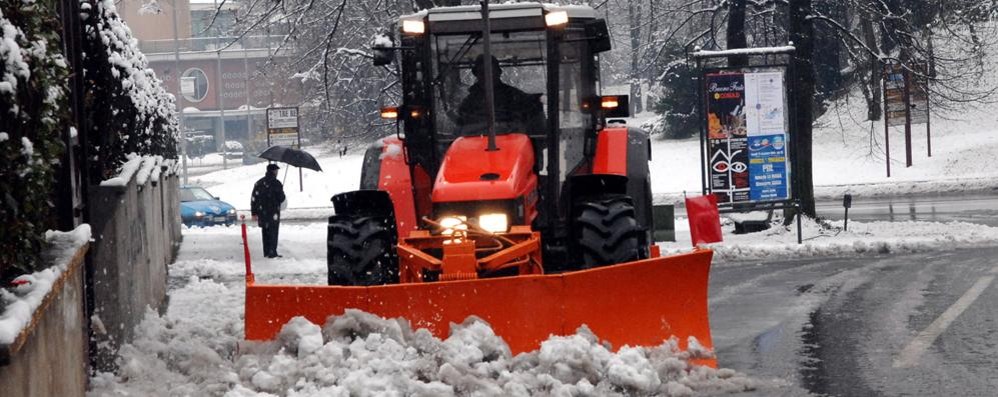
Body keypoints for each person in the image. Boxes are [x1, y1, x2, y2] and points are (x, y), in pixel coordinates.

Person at [457, 55, 543, 134]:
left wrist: (540, 99)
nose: (487, 76)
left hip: (511, 143)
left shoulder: (514, 95)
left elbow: (532, 109)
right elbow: (461, 125)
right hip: (474, 144)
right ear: (477, 75)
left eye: (491, 72)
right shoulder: (469, 101)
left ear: (499, 72)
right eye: (482, 72)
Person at [251, 163, 286, 258]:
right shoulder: (277, 183)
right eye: (276, 171)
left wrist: (254, 213)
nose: (277, 172)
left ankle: (266, 251)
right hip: (273, 212)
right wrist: (281, 192)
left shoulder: (259, 183)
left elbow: (254, 198)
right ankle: (272, 252)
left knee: (265, 232)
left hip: (262, 213)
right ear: (274, 171)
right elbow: (281, 198)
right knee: (273, 232)